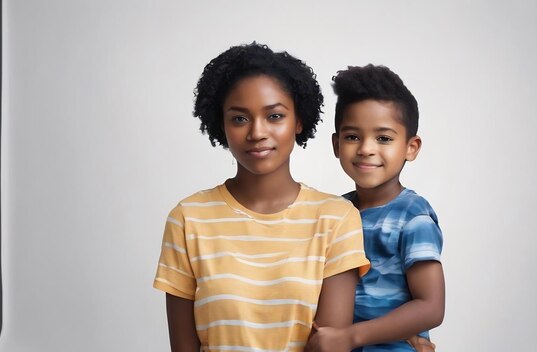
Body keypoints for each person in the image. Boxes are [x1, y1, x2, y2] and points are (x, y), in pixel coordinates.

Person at [153, 43, 371, 352]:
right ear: (221, 124)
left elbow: (329, 345)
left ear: (298, 121)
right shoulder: (188, 219)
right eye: (240, 119)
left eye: (275, 116)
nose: (257, 132)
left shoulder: (337, 219)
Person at [306, 64, 445, 352]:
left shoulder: (412, 216)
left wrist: (350, 337)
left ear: (411, 147)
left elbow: (431, 306)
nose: (366, 148)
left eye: (383, 138)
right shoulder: (333, 211)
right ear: (336, 144)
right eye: (353, 136)